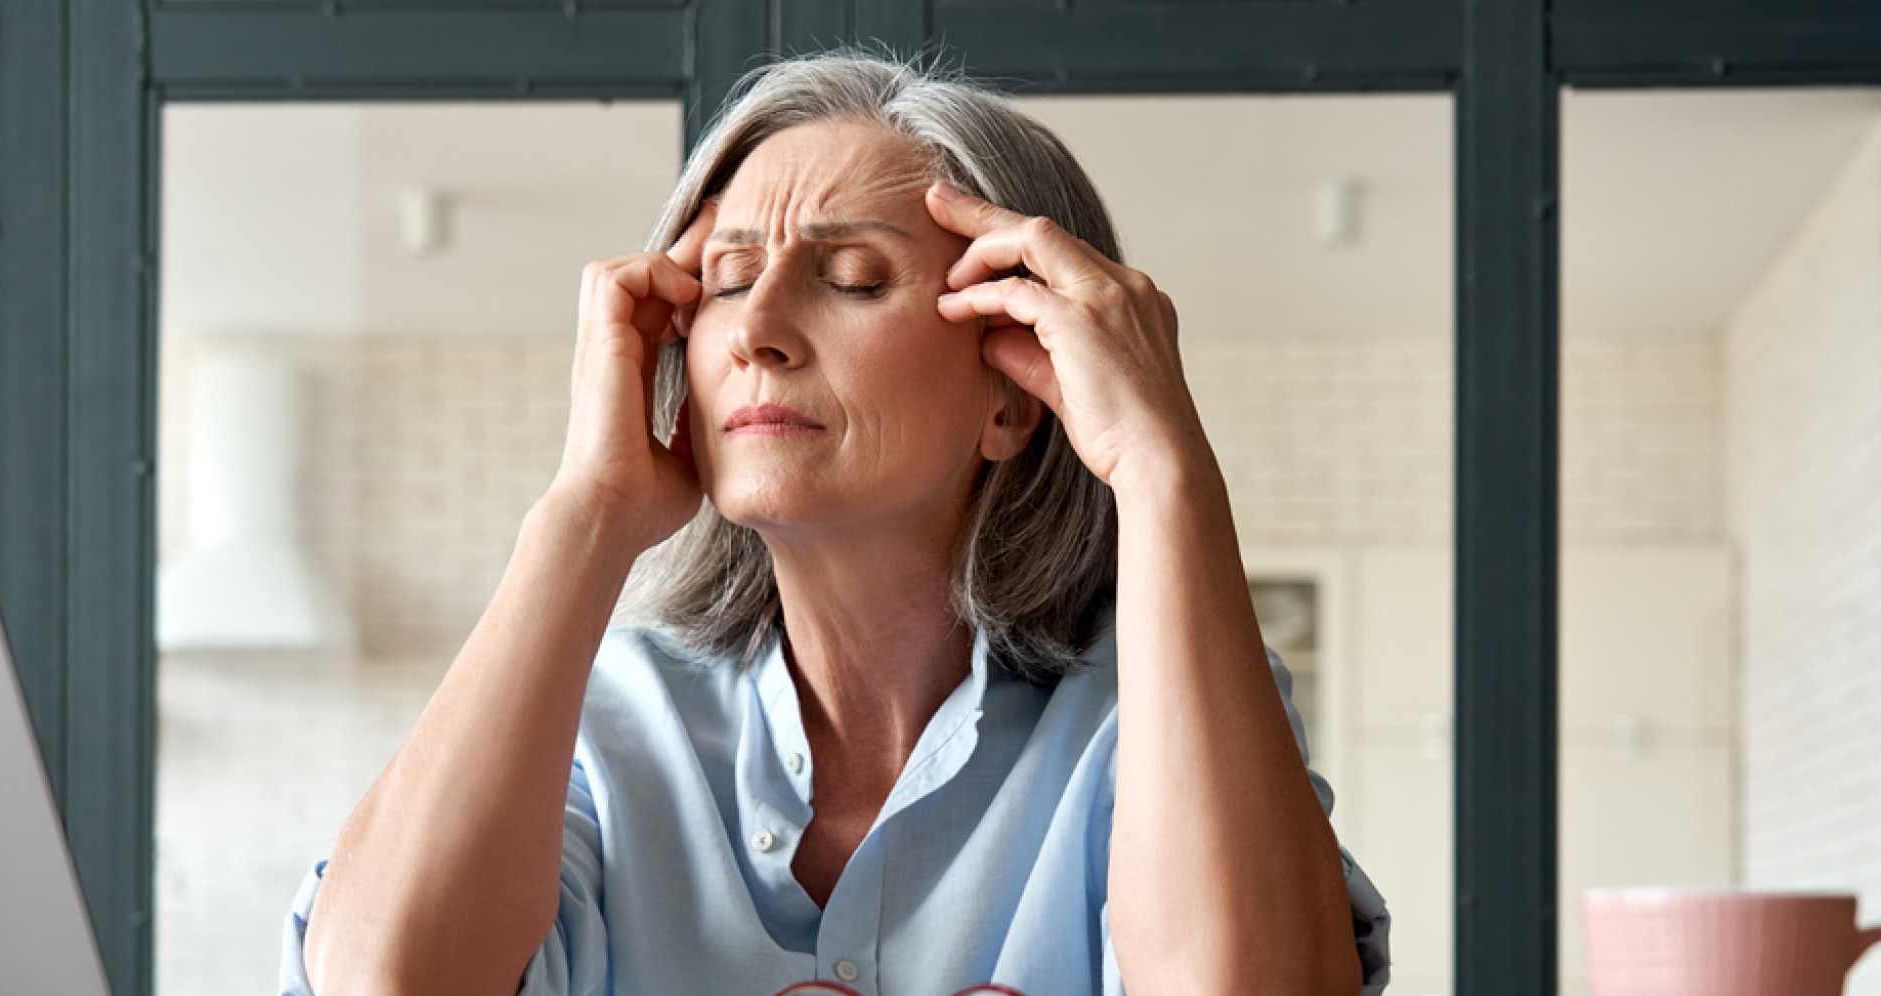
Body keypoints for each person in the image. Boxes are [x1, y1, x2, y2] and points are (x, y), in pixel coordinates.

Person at [281, 51, 1390, 996]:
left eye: (852, 279)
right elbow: (385, 978)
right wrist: (586, 511)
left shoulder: (1144, 715)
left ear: (1019, 388)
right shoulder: (601, 727)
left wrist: (1162, 470)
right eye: (723, 279)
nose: (756, 328)